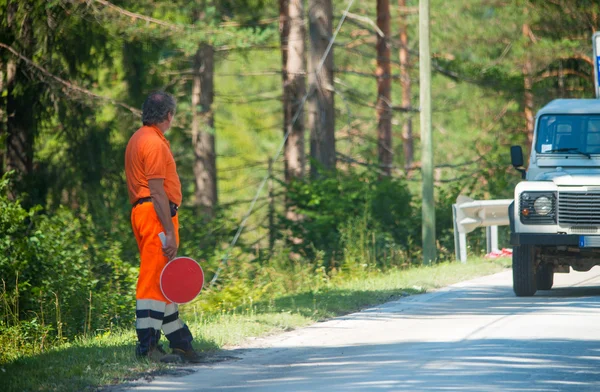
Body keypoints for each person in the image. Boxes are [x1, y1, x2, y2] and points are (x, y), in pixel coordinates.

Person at [125, 91, 202, 363]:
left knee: (162, 280)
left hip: (145, 212)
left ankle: (181, 341)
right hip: (155, 214)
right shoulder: (154, 144)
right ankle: (147, 348)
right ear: (168, 116)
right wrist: (169, 231)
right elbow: (157, 192)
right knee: (152, 282)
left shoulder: (138, 138)